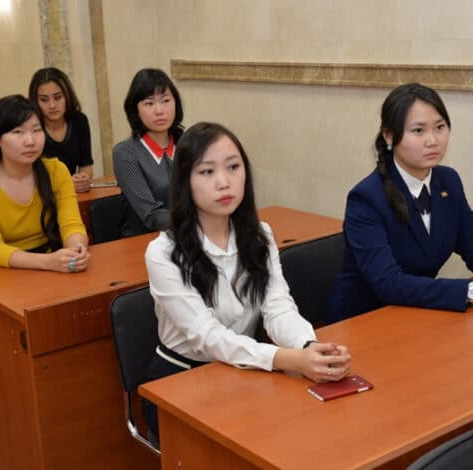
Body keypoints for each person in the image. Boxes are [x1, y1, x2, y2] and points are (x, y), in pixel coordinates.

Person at [143, 122, 351, 441]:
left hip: (243, 370)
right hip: (181, 383)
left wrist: (308, 348)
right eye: (207, 172)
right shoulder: (163, 253)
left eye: (233, 167)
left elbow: (277, 307)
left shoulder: (259, 234)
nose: (224, 182)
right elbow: (207, 337)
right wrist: (286, 359)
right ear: (184, 181)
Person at [326, 83, 473, 323]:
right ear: (389, 136)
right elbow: (388, 283)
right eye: (418, 131)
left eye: (440, 127)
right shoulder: (366, 198)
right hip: (365, 320)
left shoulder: (448, 181)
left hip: (419, 312)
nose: (432, 140)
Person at [0, 95, 91, 331]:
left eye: (36, 130)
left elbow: (72, 225)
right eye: (18, 132)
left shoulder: (56, 171)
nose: (30, 141)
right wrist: (49, 262)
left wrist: (76, 251)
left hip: (50, 271)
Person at [112, 68, 184, 235]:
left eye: (165, 101)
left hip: (191, 236)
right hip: (145, 241)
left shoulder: (188, 143)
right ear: (135, 110)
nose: (159, 111)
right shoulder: (125, 153)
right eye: (149, 103)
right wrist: (197, 220)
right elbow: (152, 215)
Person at [28, 67, 94, 193]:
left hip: (69, 194)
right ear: (35, 101)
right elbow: (28, 177)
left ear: (67, 96)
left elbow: (86, 166)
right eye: (44, 100)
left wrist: (83, 179)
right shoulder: (30, 128)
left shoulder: (79, 121)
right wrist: (66, 183)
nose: (52, 105)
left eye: (57, 97)